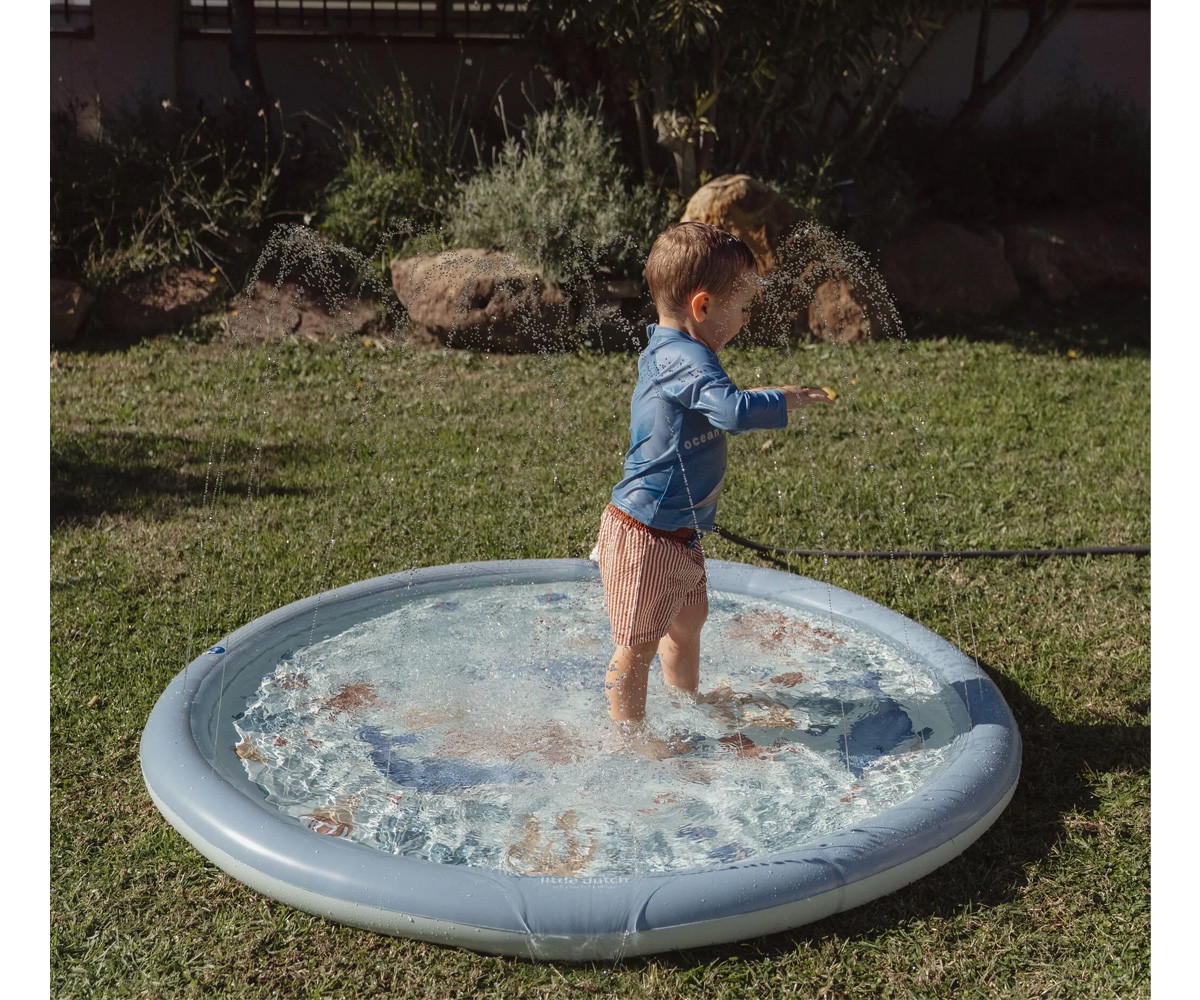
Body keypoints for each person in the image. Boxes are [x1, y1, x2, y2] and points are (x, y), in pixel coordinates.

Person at [596, 222, 833, 731]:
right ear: (702, 307)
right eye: (742, 308)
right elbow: (730, 411)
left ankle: (684, 700)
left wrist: (767, 393)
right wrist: (784, 400)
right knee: (635, 645)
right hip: (645, 533)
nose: (746, 320)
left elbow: (716, 404)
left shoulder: (685, 354)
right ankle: (628, 740)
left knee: (687, 620)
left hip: (677, 532)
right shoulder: (678, 356)